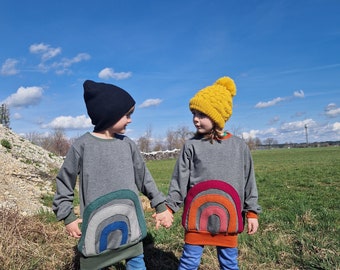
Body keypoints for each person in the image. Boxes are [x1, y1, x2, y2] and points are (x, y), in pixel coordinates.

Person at [53, 80, 173, 270]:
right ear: (109, 114)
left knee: (136, 263)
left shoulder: (128, 145)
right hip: (96, 228)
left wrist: (160, 206)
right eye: (127, 115)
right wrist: (67, 216)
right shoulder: (82, 146)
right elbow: (64, 182)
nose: (130, 119)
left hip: (130, 225)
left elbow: (144, 178)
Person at [154, 76, 261, 270]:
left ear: (218, 117)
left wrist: (251, 212)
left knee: (229, 263)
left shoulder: (239, 147)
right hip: (197, 217)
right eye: (194, 113)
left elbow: (248, 182)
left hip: (229, 218)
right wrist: (169, 208)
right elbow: (179, 182)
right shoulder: (191, 146)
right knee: (188, 263)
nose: (195, 118)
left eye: (202, 114)